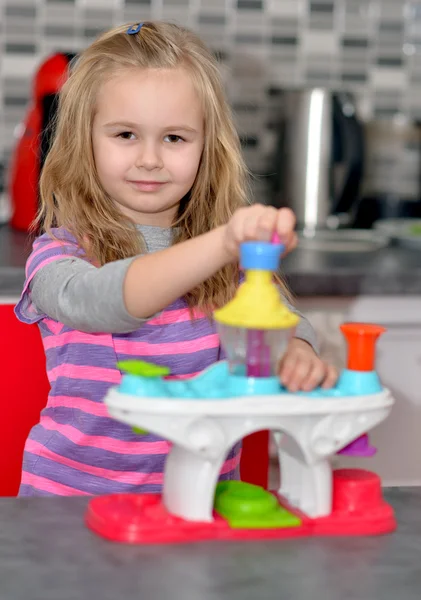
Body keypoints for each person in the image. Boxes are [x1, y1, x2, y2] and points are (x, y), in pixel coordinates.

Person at [15, 21, 337, 497]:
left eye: (174, 138)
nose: (150, 158)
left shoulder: (227, 260)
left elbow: (285, 322)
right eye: (125, 134)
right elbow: (106, 301)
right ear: (85, 141)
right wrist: (222, 244)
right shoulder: (59, 255)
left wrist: (297, 352)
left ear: (207, 148)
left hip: (197, 505)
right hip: (70, 510)